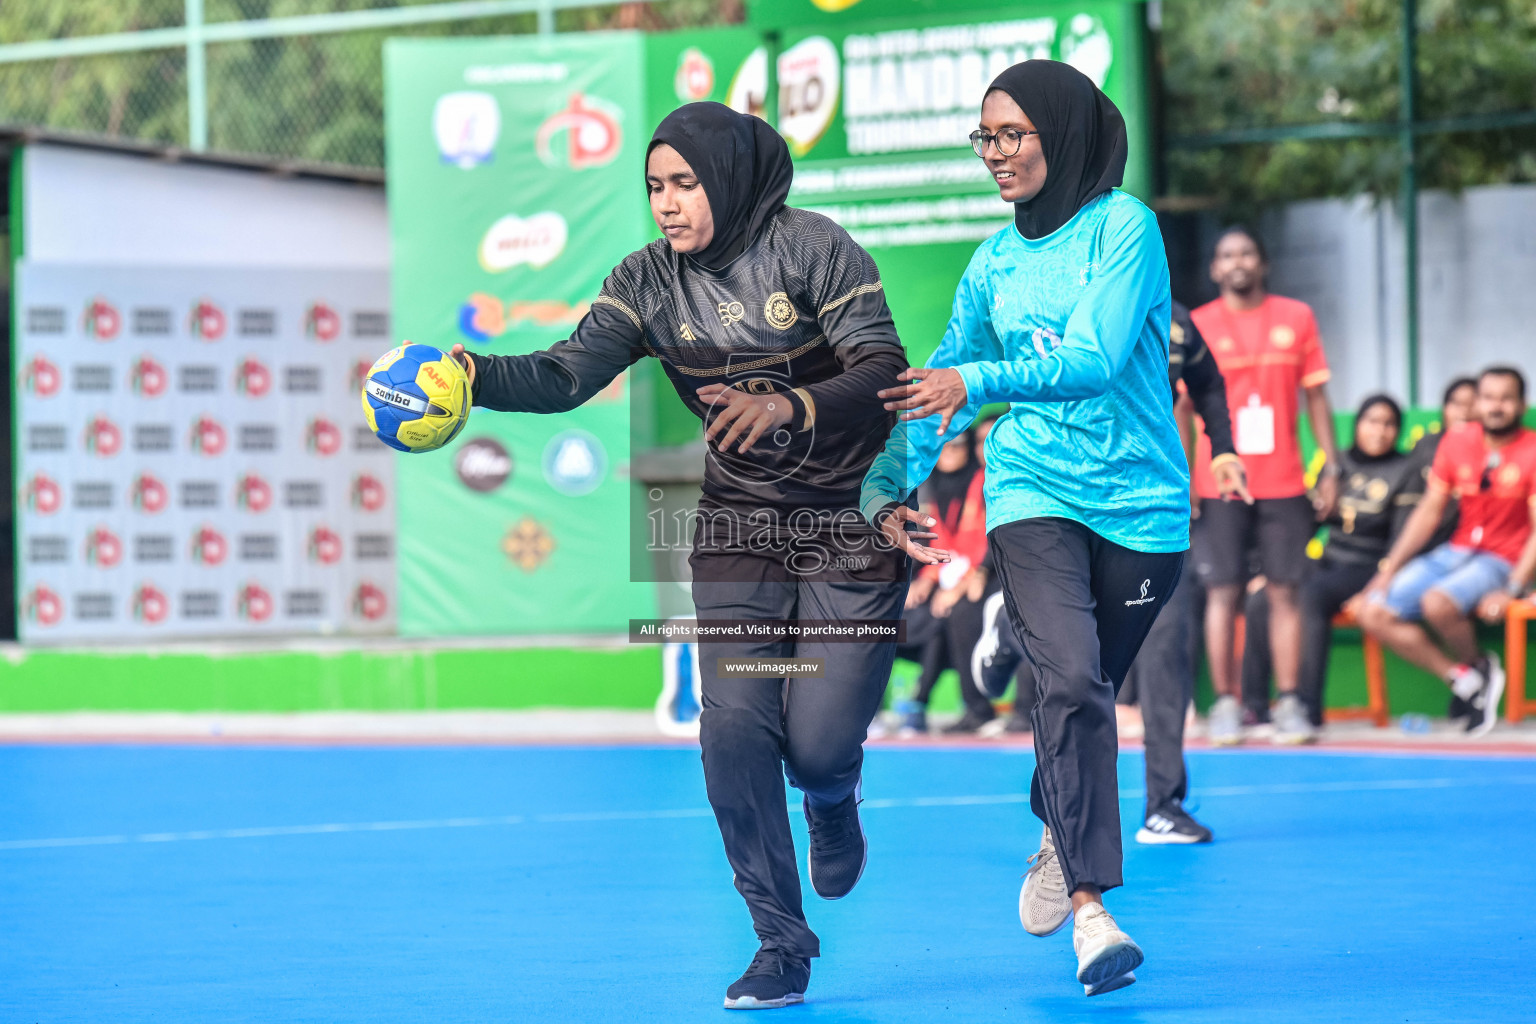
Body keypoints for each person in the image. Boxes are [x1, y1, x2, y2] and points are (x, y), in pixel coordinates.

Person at [452, 102, 913, 1010]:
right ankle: (780, 943)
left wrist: (792, 405)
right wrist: (472, 374)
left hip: (850, 528)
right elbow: (562, 373)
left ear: (729, 178)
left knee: (816, 749)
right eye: (655, 186)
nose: (666, 203)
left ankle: (834, 796)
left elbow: (881, 367)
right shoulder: (647, 281)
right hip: (738, 528)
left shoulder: (816, 248)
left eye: (685, 183)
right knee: (734, 727)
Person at [862, 60, 1188, 997]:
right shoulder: (992, 263)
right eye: (984, 138)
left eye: (1010, 134)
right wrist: (884, 489)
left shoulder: (1125, 229)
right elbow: (939, 391)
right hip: (1033, 491)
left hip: (1144, 507)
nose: (994, 154)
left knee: (1081, 699)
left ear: (1064, 131)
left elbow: (1092, 355)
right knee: (1076, 684)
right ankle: (1093, 913)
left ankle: (1057, 819)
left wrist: (980, 381)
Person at [973, 300, 1249, 842]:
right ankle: (1011, 626)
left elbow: (1209, 383)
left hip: (1147, 511)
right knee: (1078, 650)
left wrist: (1223, 449)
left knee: (1166, 648)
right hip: (1064, 502)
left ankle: (1164, 804)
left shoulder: (1171, 319)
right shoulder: (1049, 301)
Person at [1190, 226, 1342, 746]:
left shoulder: (1296, 317)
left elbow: (1317, 396)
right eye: (1227, 254)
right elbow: (1185, 408)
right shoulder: (1199, 324)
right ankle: (1227, 705)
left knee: (1285, 592)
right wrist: (1188, 477)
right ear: (1215, 268)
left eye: (1247, 253)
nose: (1237, 262)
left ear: (1263, 262)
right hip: (1219, 481)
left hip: (1284, 479)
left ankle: (1292, 704)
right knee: (1222, 592)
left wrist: (1331, 465)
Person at [1358, 366, 1536, 737]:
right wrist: (1390, 568)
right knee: (1371, 609)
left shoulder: (1532, 449)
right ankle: (1465, 678)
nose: (1496, 406)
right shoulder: (1457, 441)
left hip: (1503, 558)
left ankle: (1478, 669)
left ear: (1521, 404)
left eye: (1506, 398)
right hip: (1457, 551)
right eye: (1488, 398)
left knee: (1436, 603)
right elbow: (1428, 511)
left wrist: (1514, 588)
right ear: (1478, 403)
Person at [1241, 395, 1420, 738]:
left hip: (1370, 566)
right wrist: (1274, 570)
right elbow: (1308, 522)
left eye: (1388, 424)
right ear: (1357, 424)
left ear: (1397, 430)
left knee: (1309, 595)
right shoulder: (1337, 463)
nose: (1379, 431)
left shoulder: (1405, 470)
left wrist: (1376, 587)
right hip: (1329, 558)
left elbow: (1402, 539)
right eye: (1372, 421)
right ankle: (1255, 708)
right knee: (1264, 597)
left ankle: (1305, 708)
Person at [892, 430, 993, 736]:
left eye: (958, 444)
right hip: (949, 579)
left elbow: (986, 541)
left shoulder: (985, 483)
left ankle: (941, 705)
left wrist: (962, 584)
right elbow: (945, 544)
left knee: (951, 614)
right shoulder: (934, 487)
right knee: (909, 616)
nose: (949, 451)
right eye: (943, 445)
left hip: (985, 576)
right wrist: (927, 580)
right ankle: (917, 704)